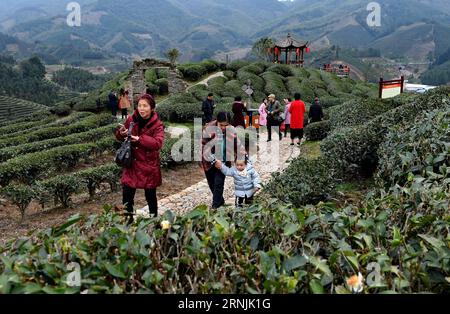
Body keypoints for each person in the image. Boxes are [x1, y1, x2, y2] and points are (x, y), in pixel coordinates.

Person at [115, 94, 165, 223]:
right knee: (127, 195)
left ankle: (154, 221)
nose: (141, 109)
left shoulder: (157, 125)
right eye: (139, 105)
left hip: (148, 165)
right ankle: (128, 222)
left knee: (150, 196)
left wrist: (139, 139)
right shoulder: (132, 119)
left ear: (152, 108)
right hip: (132, 163)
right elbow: (120, 136)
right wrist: (121, 133)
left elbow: (157, 143)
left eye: (145, 106)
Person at [201, 112, 246, 209]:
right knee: (212, 185)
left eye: (226, 125)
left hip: (223, 161)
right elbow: (203, 146)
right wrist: (214, 159)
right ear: (217, 122)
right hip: (208, 161)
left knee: (218, 184)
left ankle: (215, 209)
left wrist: (244, 157)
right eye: (221, 125)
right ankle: (220, 203)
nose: (223, 127)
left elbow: (237, 144)